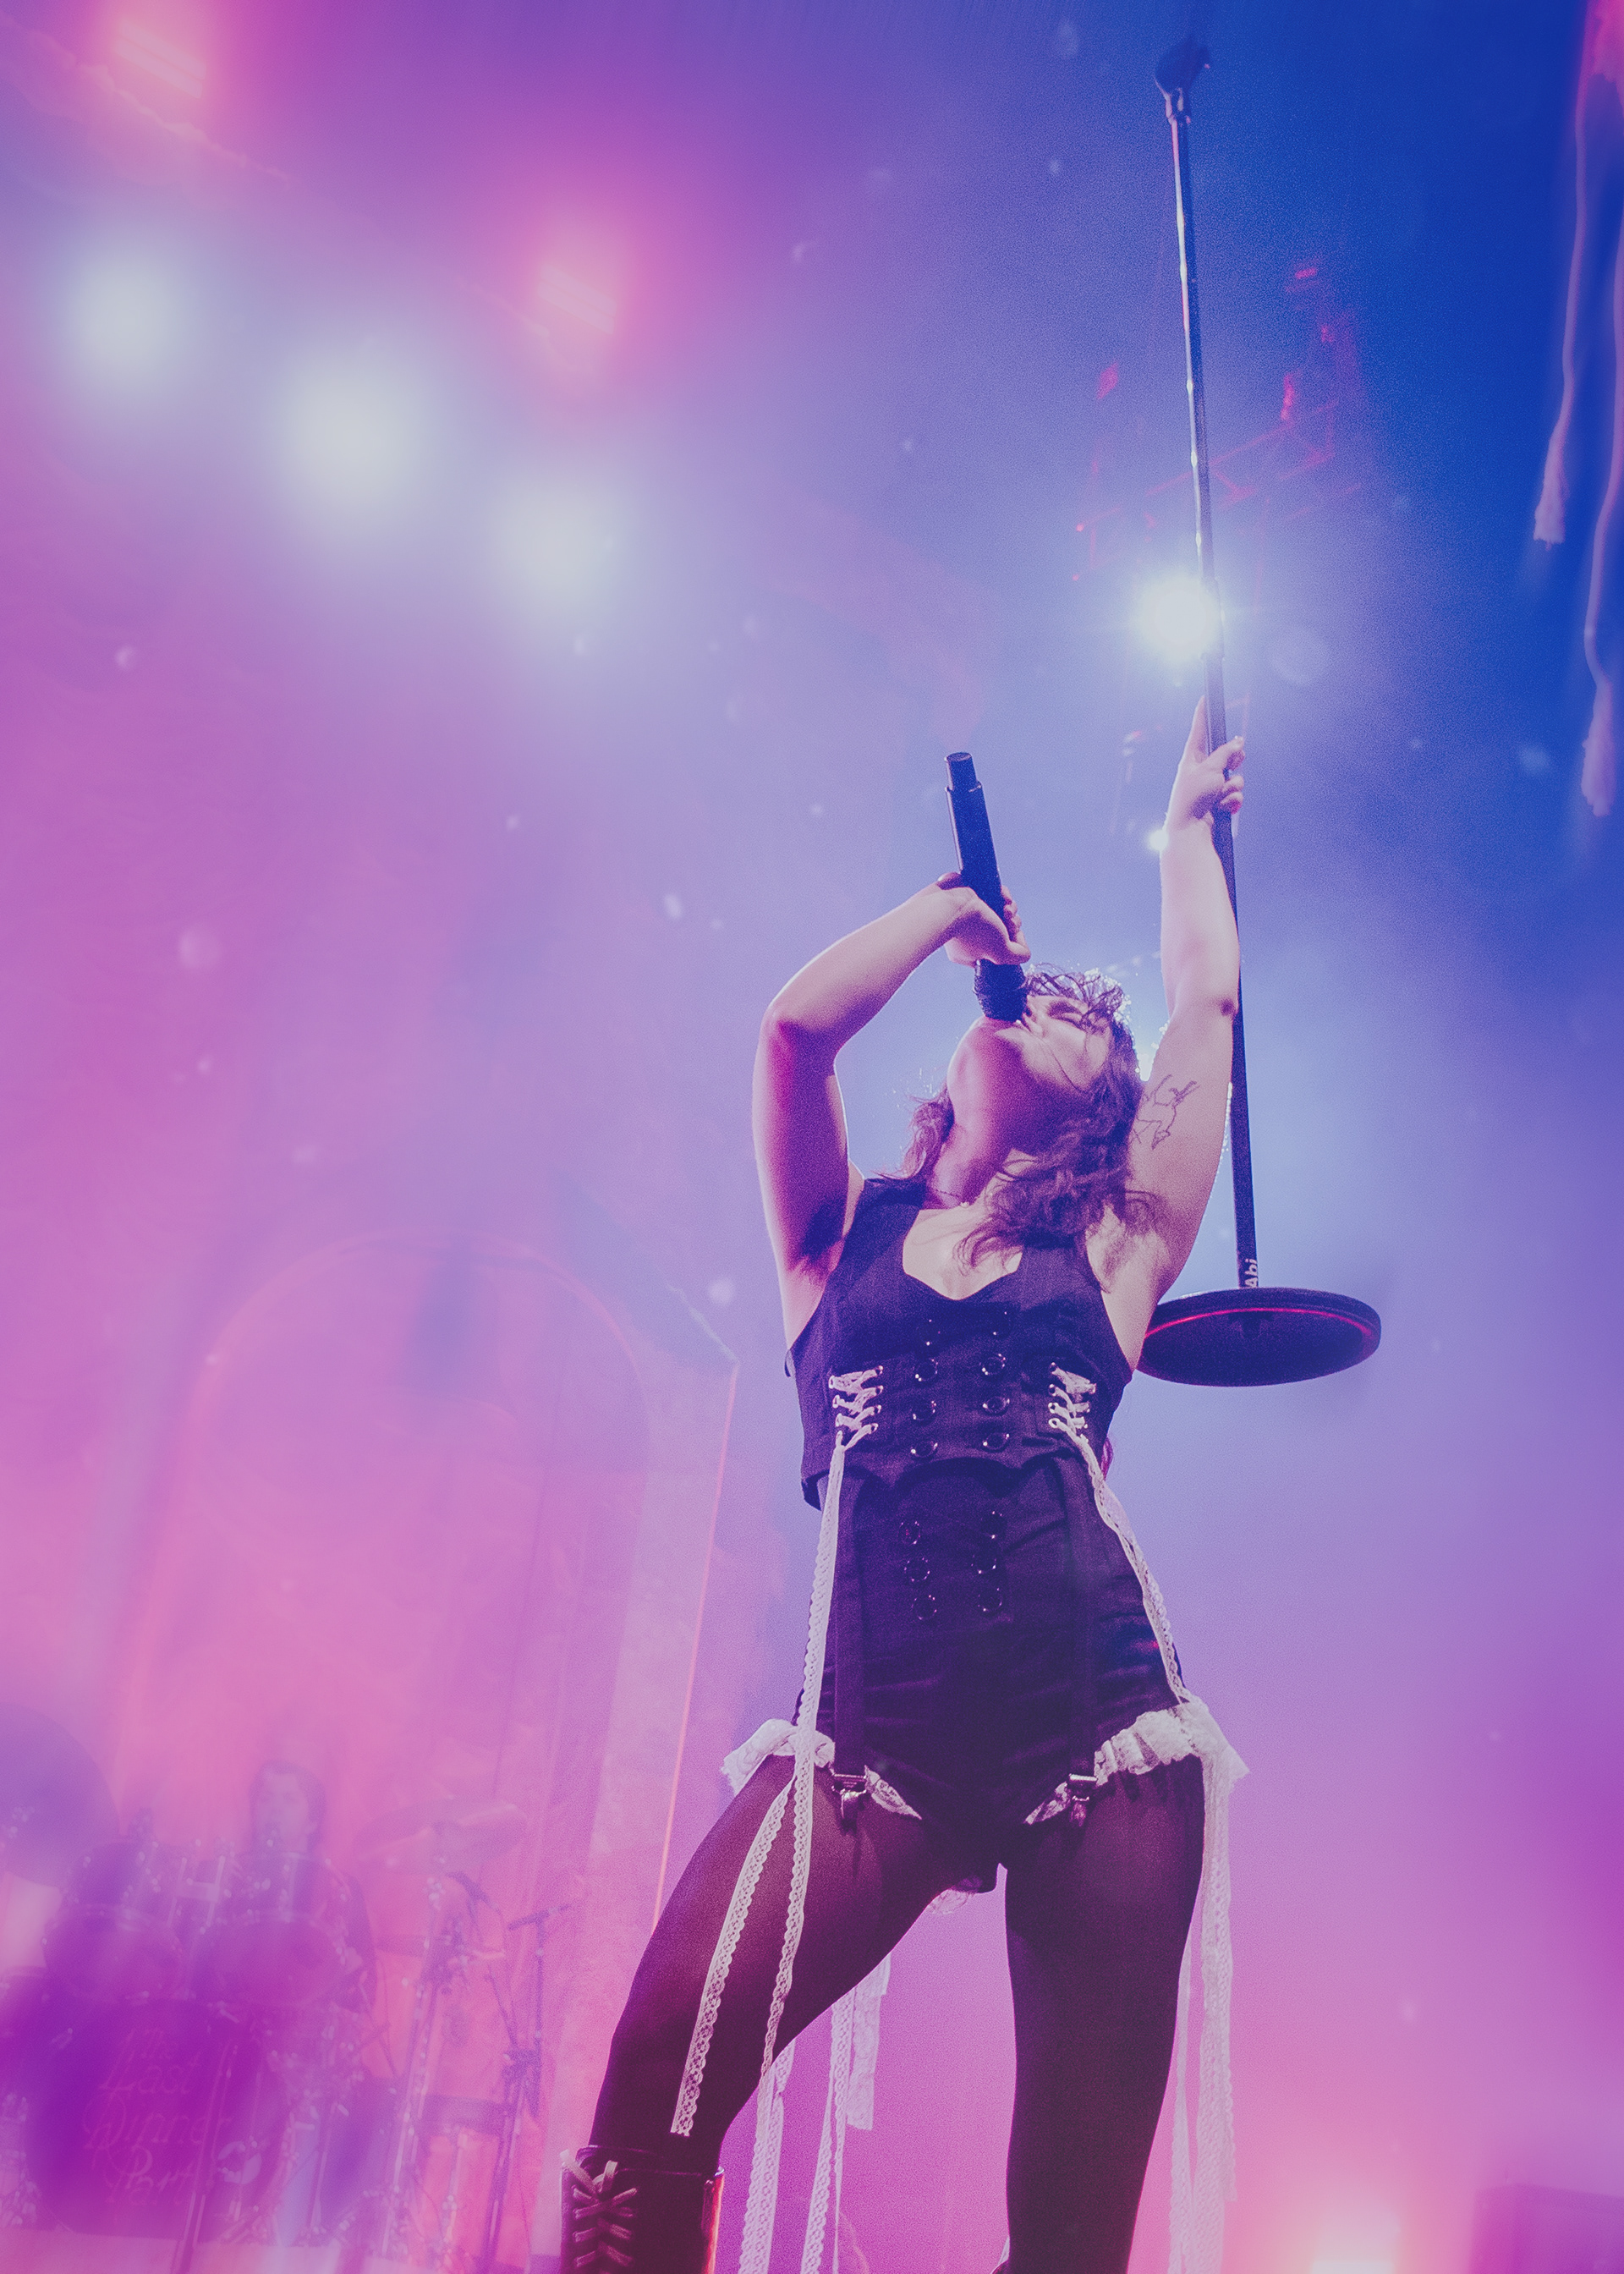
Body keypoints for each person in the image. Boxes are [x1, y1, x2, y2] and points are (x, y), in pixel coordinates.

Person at [562, 704, 1249, 2274]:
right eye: (1038, 991)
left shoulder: (1115, 1247)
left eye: (1083, 1020)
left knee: (1068, 2237)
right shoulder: (835, 1239)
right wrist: (946, 909)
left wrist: (1184, 833)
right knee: (653, 2083)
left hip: (1100, 1738)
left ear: (1100, 1109)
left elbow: (1205, 1002)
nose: (1051, 1005)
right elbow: (791, 1036)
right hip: (871, 1744)